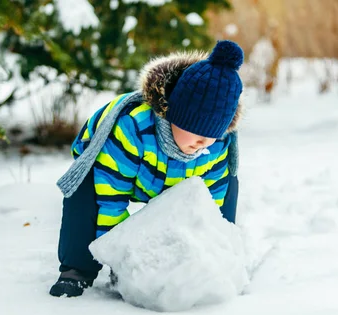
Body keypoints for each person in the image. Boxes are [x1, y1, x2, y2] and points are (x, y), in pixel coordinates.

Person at [50, 40, 244, 298]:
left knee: (228, 185)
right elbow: (111, 199)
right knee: (86, 193)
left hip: (172, 178)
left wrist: (209, 250)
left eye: (212, 135)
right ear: (175, 115)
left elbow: (208, 210)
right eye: (197, 132)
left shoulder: (217, 146)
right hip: (116, 171)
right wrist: (120, 262)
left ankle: (220, 259)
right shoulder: (132, 129)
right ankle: (77, 270)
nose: (203, 143)